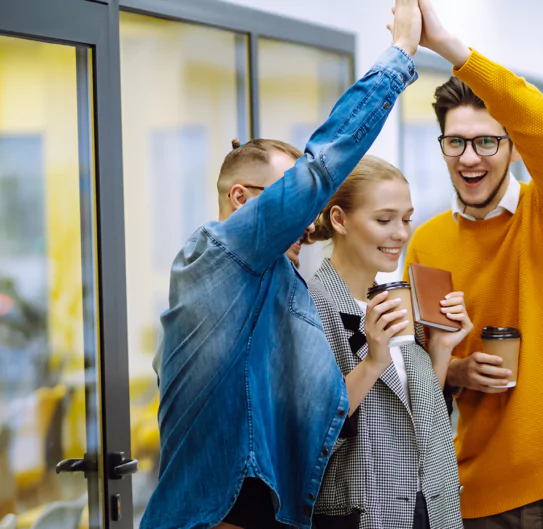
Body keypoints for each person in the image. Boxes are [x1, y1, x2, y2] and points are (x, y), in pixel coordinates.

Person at [140, 4, 423, 528]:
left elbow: (317, 422)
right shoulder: (216, 256)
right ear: (244, 201)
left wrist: (379, 358)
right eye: (287, 204)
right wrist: (401, 55)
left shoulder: (272, 288)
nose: (303, 223)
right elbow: (322, 167)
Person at [400, 1, 543, 526]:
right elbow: (424, 368)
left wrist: (448, 46)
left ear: (514, 146)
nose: (470, 157)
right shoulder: (426, 242)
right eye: (456, 142)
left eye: (487, 141)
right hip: (477, 491)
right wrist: (461, 370)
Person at [305, 156, 470, 529]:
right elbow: (310, 428)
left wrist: (442, 347)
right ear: (339, 220)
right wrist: (373, 363)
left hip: (430, 507)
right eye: (384, 220)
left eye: (406, 218)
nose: (401, 233)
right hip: (365, 513)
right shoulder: (311, 306)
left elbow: (419, 420)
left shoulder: (397, 301)